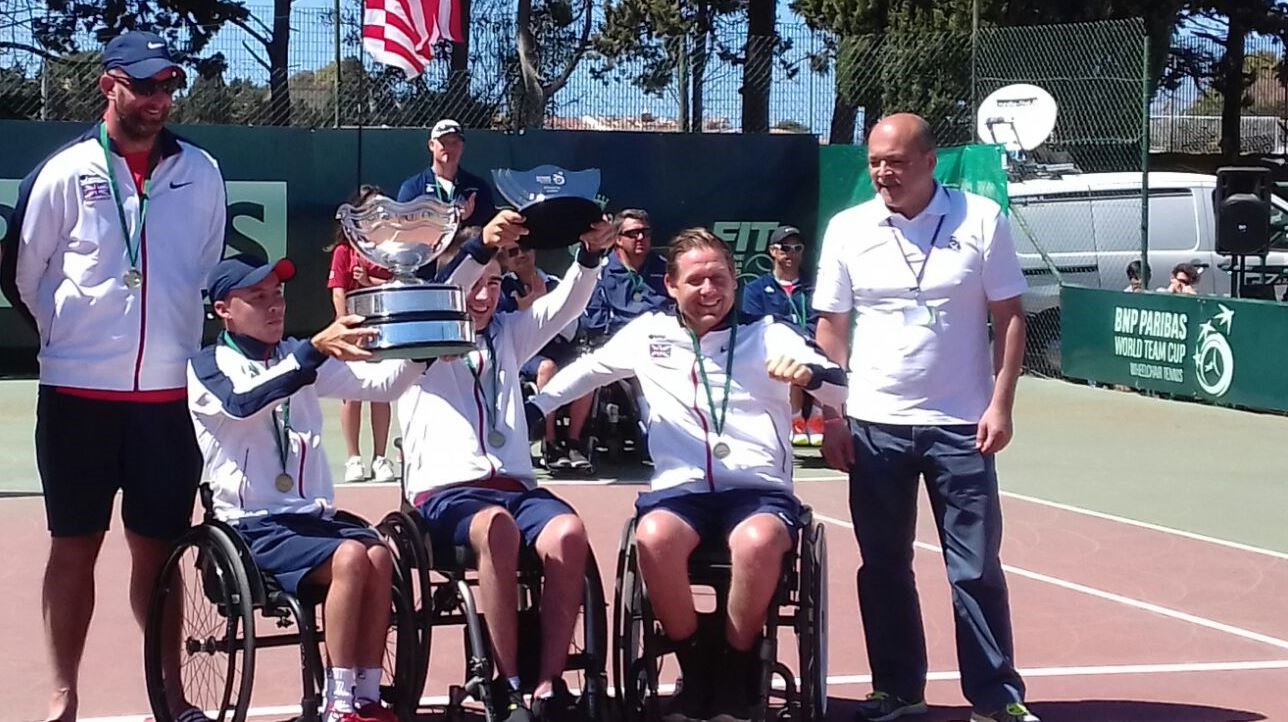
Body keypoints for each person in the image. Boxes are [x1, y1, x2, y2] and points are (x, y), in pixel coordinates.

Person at [528, 229, 847, 722]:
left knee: (759, 542)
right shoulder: (648, 333)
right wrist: (536, 407)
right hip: (681, 493)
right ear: (671, 285)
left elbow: (843, 390)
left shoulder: (769, 334)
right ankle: (697, 665)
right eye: (695, 279)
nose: (708, 290)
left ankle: (737, 669)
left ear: (735, 283)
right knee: (653, 538)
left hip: (758, 493)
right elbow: (588, 371)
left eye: (718, 278)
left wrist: (814, 377)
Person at [0, 32, 225, 722]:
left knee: (159, 554)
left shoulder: (202, 172)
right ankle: (64, 695)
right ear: (109, 85)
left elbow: (208, 264)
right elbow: (22, 273)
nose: (158, 100)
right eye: (145, 85)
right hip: (76, 396)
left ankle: (171, 692)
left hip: (167, 398)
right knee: (75, 544)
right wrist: (72, 339)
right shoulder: (65, 172)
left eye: (167, 87)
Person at [812, 113, 1038, 722]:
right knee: (883, 565)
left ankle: (996, 697)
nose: (884, 173)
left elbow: (1009, 316)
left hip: (963, 426)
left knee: (975, 567)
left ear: (930, 161)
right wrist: (832, 416)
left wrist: (1001, 403)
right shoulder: (848, 228)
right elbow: (831, 326)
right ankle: (898, 691)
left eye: (897, 162)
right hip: (873, 424)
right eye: (876, 162)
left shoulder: (981, 218)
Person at [396, 213, 615, 722]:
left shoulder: (508, 333)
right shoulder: (422, 334)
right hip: (447, 494)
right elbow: (444, 290)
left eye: (493, 285)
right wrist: (477, 249)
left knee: (568, 533)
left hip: (516, 487)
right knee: (496, 529)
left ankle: (547, 682)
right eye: (475, 285)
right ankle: (508, 682)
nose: (483, 297)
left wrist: (589, 257)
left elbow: (565, 309)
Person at [189, 255, 427, 722]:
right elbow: (243, 403)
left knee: (379, 554)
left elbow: (381, 386)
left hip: (310, 520)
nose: (274, 306)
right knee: (353, 557)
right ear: (223, 310)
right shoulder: (208, 365)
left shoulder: (295, 356)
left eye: (277, 295)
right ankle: (337, 703)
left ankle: (365, 693)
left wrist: (422, 354)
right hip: (250, 526)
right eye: (258, 298)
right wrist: (313, 352)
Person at [570, 209, 674, 462]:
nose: (640, 238)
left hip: (659, 343)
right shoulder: (601, 270)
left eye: (645, 233)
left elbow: (675, 308)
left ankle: (663, 436)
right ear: (618, 239)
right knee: (597, 373)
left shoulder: (664, 269)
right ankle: (575, 443)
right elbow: (592, 314)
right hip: (614, 342)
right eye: (632, 233)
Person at [327, 184, 397, 483]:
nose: (376, 215)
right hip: (353, 332)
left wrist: (368, 280)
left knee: (380, 394)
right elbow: (338, 292)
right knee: (351, 395)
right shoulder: (344, 251)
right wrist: (345, 327)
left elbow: (396, 290)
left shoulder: (392, 251)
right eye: (371, 209)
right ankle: (354, 459)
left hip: (383, 330)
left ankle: (381, 458)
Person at [497, 244, 585, 472]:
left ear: (534, 251)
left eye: (523, 250)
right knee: (547, 367)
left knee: (584, 371)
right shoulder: (502, 287)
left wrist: (549, 305)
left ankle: (575, 443)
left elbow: (571, 330)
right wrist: (533, 307)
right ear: (506, 260)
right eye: (513, 253)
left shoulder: (555, 284)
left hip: (558, 350)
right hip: (525, 355)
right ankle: (550, 441)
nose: (521, 256)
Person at [740, 225, 823, 445]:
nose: (791, 254)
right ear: (773, 251)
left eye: (797, 248)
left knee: (824, 350)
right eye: (786, 248)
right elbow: (754, 325)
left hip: (812, 341)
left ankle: (817, 415)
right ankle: (795, 418)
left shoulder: (815, 286)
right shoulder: (756, 288)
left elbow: (824, 319)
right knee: (791, 354)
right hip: (776, 345)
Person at [396, 118, 496, 228]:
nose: (450, 147)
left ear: (462, 147)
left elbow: (488, 232)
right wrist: (454, 219)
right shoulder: (413, 188)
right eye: (444, 142)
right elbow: (404, 230)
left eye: (455, 142)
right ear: (431, 145)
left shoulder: (478, 188)